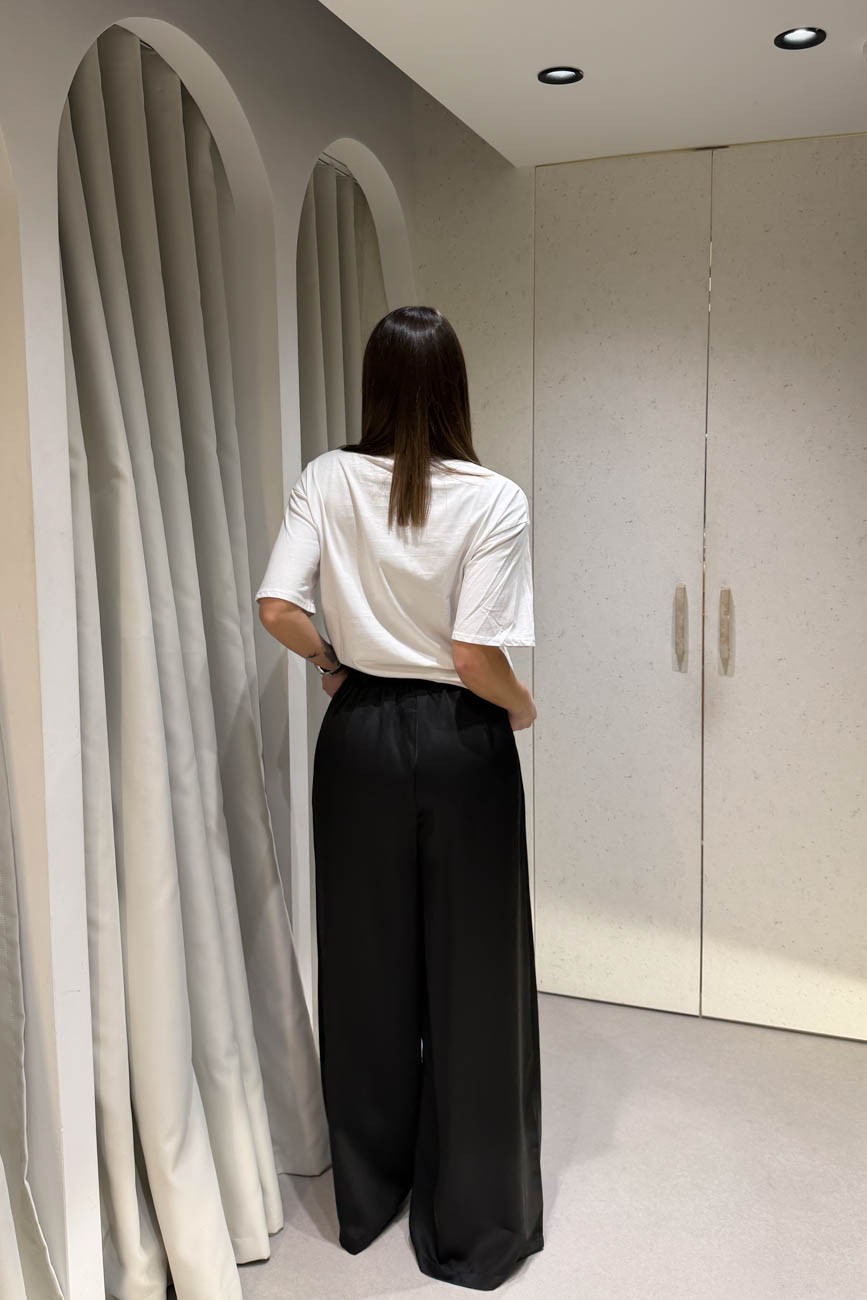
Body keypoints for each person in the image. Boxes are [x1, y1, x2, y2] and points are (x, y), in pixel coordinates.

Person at [256, 305, 544, 1291]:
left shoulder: (325, 479)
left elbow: (276, 607)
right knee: (475, 968)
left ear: (372, 384)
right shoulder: (494, 498)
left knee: (364, 962)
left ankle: (369, 1193)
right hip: (461, 741)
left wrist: (334, 664)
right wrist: (522, 707)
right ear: (455, 386)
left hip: (360, 740)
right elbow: (473, 655)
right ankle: (473, 1222)